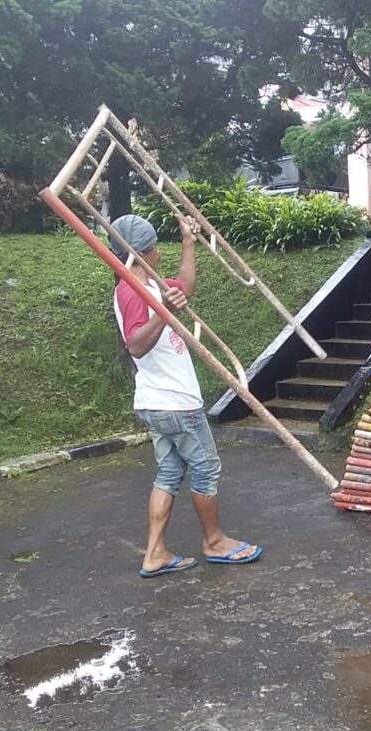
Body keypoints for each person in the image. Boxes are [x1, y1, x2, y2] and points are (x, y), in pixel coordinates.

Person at [110, 213, 262, 578]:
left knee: (169, 472)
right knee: (207, 469)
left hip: (157, 401)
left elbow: (186, 288)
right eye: (155, 246)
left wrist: (189, 241)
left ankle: (155, 553)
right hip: (175, 403)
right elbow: (136, 345)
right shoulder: (133, 289)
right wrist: (165, 311)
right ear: (147, 250)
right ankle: (214, 541)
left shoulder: (146, 283)